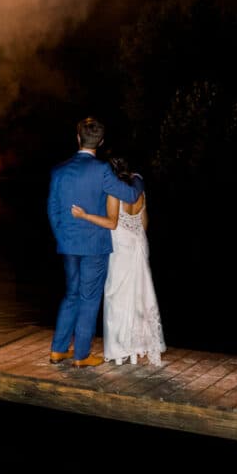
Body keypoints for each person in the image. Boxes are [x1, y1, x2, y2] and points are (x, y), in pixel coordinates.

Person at [47, 117, 145, 368]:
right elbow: (132, 194)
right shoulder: (102, 171)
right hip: (94, 247)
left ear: (78, 137)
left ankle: (58, 350)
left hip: (68, 245)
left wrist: (62, 237)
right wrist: (138, 178)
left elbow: (53, 210)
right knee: (89, 299)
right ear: (100, 142)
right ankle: (81, 355)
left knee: (71, 294)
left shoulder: (59, 171)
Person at [71, 153, 166, 366]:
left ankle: (120, 351)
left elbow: (111, 223)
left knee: (117, 296)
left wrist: (84, 216)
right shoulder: (139, 192)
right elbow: (144, 222)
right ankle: (136, 350)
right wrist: (136, 238)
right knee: (138, 295)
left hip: (121, 247)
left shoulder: (115, 193)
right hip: (139, 244)